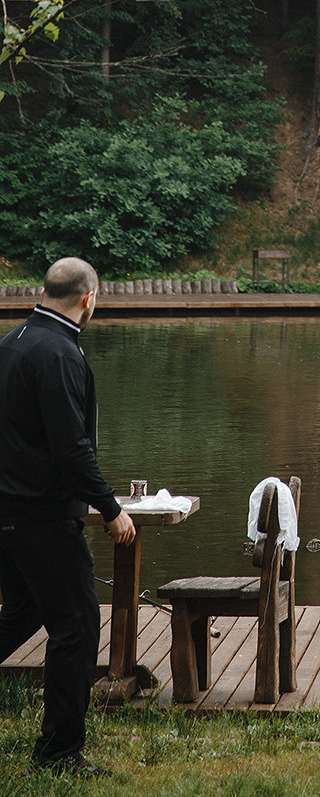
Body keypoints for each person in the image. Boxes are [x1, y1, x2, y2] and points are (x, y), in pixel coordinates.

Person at [0, 258, 136, 774]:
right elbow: (70, 446)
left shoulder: (12, 343)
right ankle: (58, 753)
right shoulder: (59, 352)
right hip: (41, 514)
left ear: (43, 292)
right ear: (88, 299)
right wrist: (110, 507)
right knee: (76, 626)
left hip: (7, 509)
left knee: (21, 612)